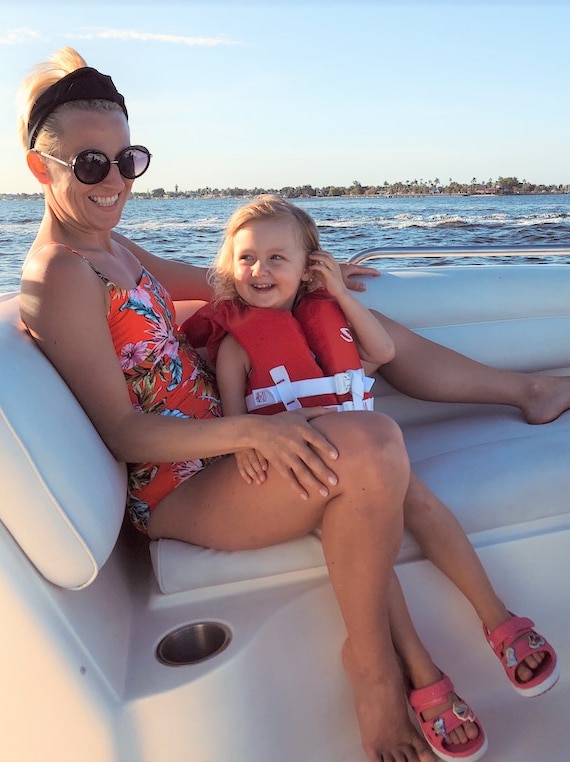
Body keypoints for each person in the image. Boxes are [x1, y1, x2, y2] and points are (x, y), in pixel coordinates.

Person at [17, 46, 441, 762]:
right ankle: (373, 675)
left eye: (129, 160)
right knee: (372, 447)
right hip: (174, 487)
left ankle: (413, 657)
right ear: (41, 169)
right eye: (91, 164)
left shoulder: (112, 246)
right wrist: (251, 434)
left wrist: (313, 278)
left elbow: (222, 287)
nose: (114, 181)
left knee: (366, 432)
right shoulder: (61, 272)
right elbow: (123, 433)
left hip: (224, 438)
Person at [182, 194, 561, 759]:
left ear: (310, 266)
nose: (260, 272)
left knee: (426, 510)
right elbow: (237, 421)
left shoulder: (329, 315)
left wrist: (336, 292)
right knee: (369, 553)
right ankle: (422, 671)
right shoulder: (237, 344)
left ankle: (498, 619)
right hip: (310, 467)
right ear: (229, 267)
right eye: (247, 260)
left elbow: (382, 350)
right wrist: (247, 455)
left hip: (371, 455)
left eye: (277, 259)